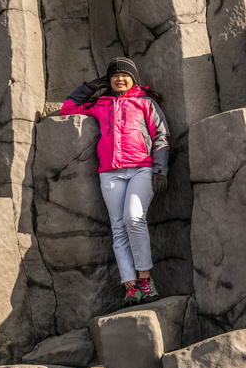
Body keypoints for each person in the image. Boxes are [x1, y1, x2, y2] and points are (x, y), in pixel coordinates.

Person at [61, 57, 170, 307]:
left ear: (133, 78)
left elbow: (162, 135)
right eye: (114, 75)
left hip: (142, 169)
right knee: (118, 227)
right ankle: (130, 287)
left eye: (125, 75)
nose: (120, 78)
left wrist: (160, 170)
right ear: (108, 80)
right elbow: (67, 109)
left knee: (134, 218)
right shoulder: (101, 103)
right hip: (109, 173)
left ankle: (145, 279)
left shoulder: (145, 102)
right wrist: (90, 86)